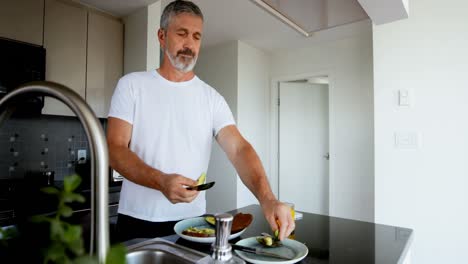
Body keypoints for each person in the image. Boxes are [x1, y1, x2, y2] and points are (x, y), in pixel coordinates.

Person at [106, 0, 294, 242]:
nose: (190, 44)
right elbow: (115, 148)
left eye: (196, 37)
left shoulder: (212, 98)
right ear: (162, 37)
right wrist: (160, 181)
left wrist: (268, 200)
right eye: (182, 34)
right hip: (138, 220)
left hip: (193, 224)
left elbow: (239, 149)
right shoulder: (132, 85)